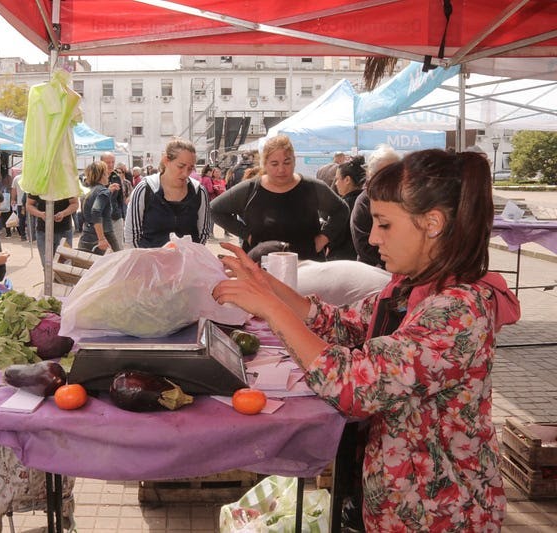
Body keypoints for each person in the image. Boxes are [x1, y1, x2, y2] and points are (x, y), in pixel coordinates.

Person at [213, 148, 521, 532]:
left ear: (433, 224)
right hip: (400, 499)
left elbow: (353, 384)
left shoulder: (458, 311)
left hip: (441, 512)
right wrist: (268, 287)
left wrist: (272, 311)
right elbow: (343, 326)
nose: (372, 238)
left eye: (385, 224)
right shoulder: (410, 288)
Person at [210, 134, 350, 261]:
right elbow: (214, 209)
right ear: (265, 164)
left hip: (307, 265)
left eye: (287, 162)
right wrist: (247, 235)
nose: (281, 169)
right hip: (262, 268)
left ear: (294, 161)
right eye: (274, 164)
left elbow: (342, 210)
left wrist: (323, 239)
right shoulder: (250, 189)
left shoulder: (312, 187)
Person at [125, 138, 212, 248]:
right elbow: (132, 235)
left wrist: (190, 257)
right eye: (180, 166)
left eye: (190, 168)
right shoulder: (145, 188)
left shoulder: (199, 191)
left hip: (186, 262)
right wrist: (147, 259)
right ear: (166, 160)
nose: (185, 173)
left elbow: (203, 233)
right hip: (150, 262)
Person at [351, 144, 402, 267]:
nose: (390, 178)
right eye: (384, 174)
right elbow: (363, 246)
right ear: (371, 175)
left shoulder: (405, 198)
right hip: (374, 270)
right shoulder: (363, 202)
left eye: (395, 172)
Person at [78, 161, 120, 254]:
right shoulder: (103, 192)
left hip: (86, 235)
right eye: (106, 172)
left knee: (89, 266)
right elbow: (96, 211)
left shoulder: (88, 191)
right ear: (102, 174)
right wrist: (101, 238)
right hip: (104, 234)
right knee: (117, 264)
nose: (108, 175)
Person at [26, 192, 79, 267]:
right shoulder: (38, 184)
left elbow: (75, 203)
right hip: (43, 231)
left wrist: (63, 213)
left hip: (64, 231)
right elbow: (29, 205)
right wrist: (41, 214)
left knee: (64, 266)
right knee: (47, 266)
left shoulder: (66, 183)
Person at [329, 155, 367, 260]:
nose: (335, 183)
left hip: (341, 262)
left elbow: (332, 238)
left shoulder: (341, 207)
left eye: (337, 179)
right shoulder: (367, 203)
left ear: (347, 180)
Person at [100, 152, 125, 246]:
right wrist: (108, 190)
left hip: (115, 217)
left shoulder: (116, 177)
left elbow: (120, 199)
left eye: (112, 162)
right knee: (103, 248)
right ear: (101, 163)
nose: (110, 165)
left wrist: (122, 216)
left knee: (118, 246)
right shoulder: (96, 178)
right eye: (107, 162)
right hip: (101, 218)